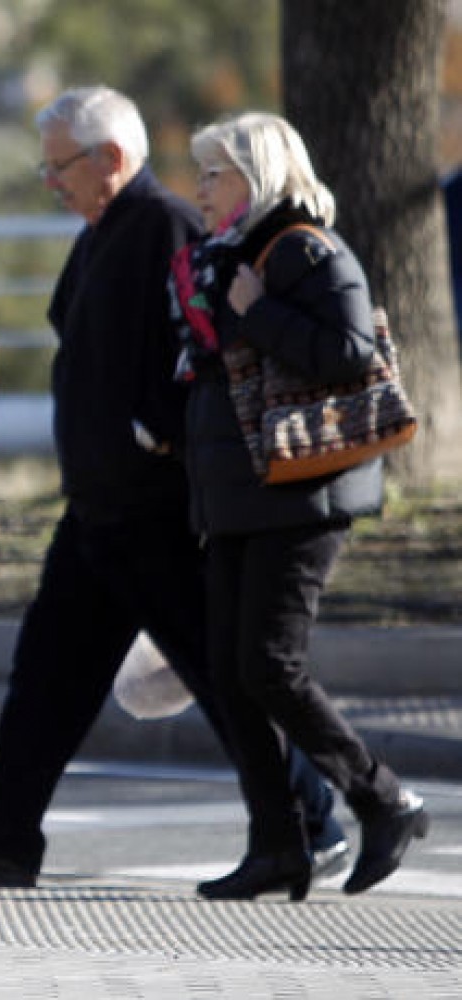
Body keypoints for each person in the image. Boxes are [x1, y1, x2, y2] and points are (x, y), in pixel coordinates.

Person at [0, 86, 346, 889]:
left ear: (109, 157)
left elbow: (201, 351)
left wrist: (156, 432)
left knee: (217, 673)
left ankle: (314, 820)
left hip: (154, 506)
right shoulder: (105, 230)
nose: (49, 182)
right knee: (48, 670)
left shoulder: (164, 224)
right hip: (99, 509)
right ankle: (4, 834)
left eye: (59, 165)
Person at [172, 112, 429, 900]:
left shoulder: (306, 248)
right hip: (241, 495)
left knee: (269, 667)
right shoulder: (228, 258)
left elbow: (353, 352)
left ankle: (384, 799)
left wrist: (257, 309)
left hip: (303, 494)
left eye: (215, 174)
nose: (203, 190)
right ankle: (278, 844)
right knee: (228, 671)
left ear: (258, 174)